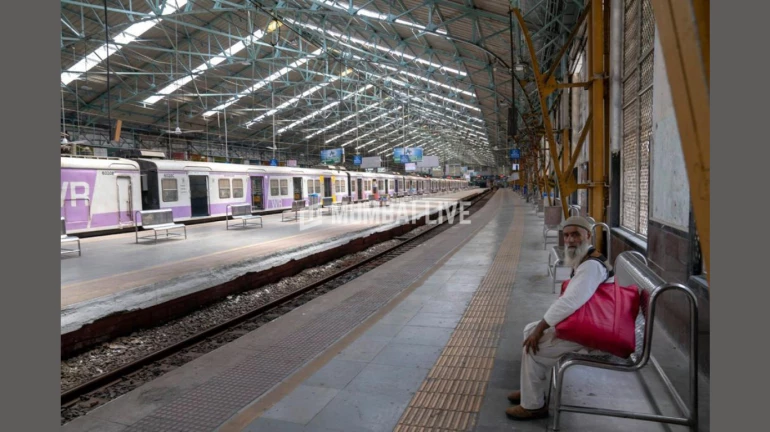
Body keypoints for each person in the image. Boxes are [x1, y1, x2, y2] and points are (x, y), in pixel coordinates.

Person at [505, 216, 614, 420]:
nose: (570, 240)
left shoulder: (591, 266)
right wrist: (538, 328)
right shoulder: (588, 258)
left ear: (588, 236)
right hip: (593, 322)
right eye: (566, 235)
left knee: (532, 346)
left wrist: (541, 329)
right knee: (529, 330)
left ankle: (533, 405)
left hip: (598, 333)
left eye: (576, 235)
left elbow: (570, 302)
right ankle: (530, 389)